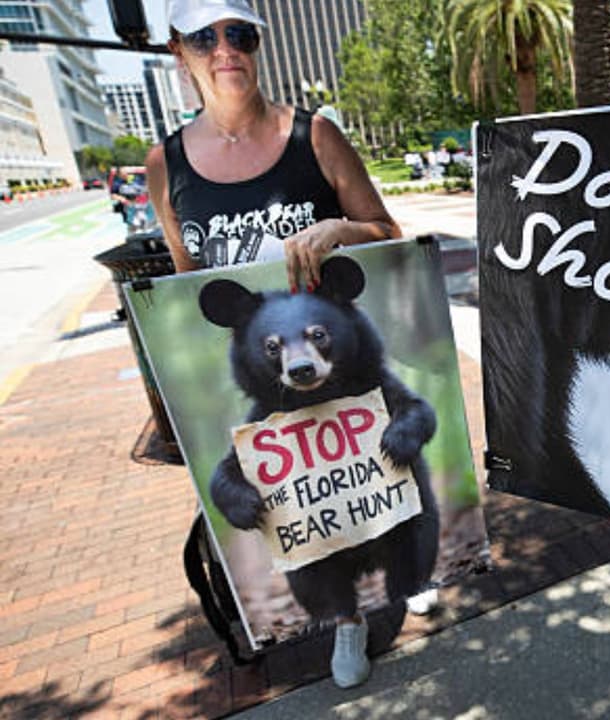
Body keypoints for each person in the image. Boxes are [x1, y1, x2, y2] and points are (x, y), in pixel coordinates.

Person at [146, 0, 430, 690]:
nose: (224, 49)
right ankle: (347, 624)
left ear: (258, 45)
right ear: (180, 52)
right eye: (205, 38)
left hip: (346, 385)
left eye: (239, 34)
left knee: (390, 489)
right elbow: (190, 285)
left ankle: (415, 572)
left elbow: (385, 231)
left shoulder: (316, 135)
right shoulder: (166, 164)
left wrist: (341, 231)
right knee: (303, 524)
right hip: (276, 402)